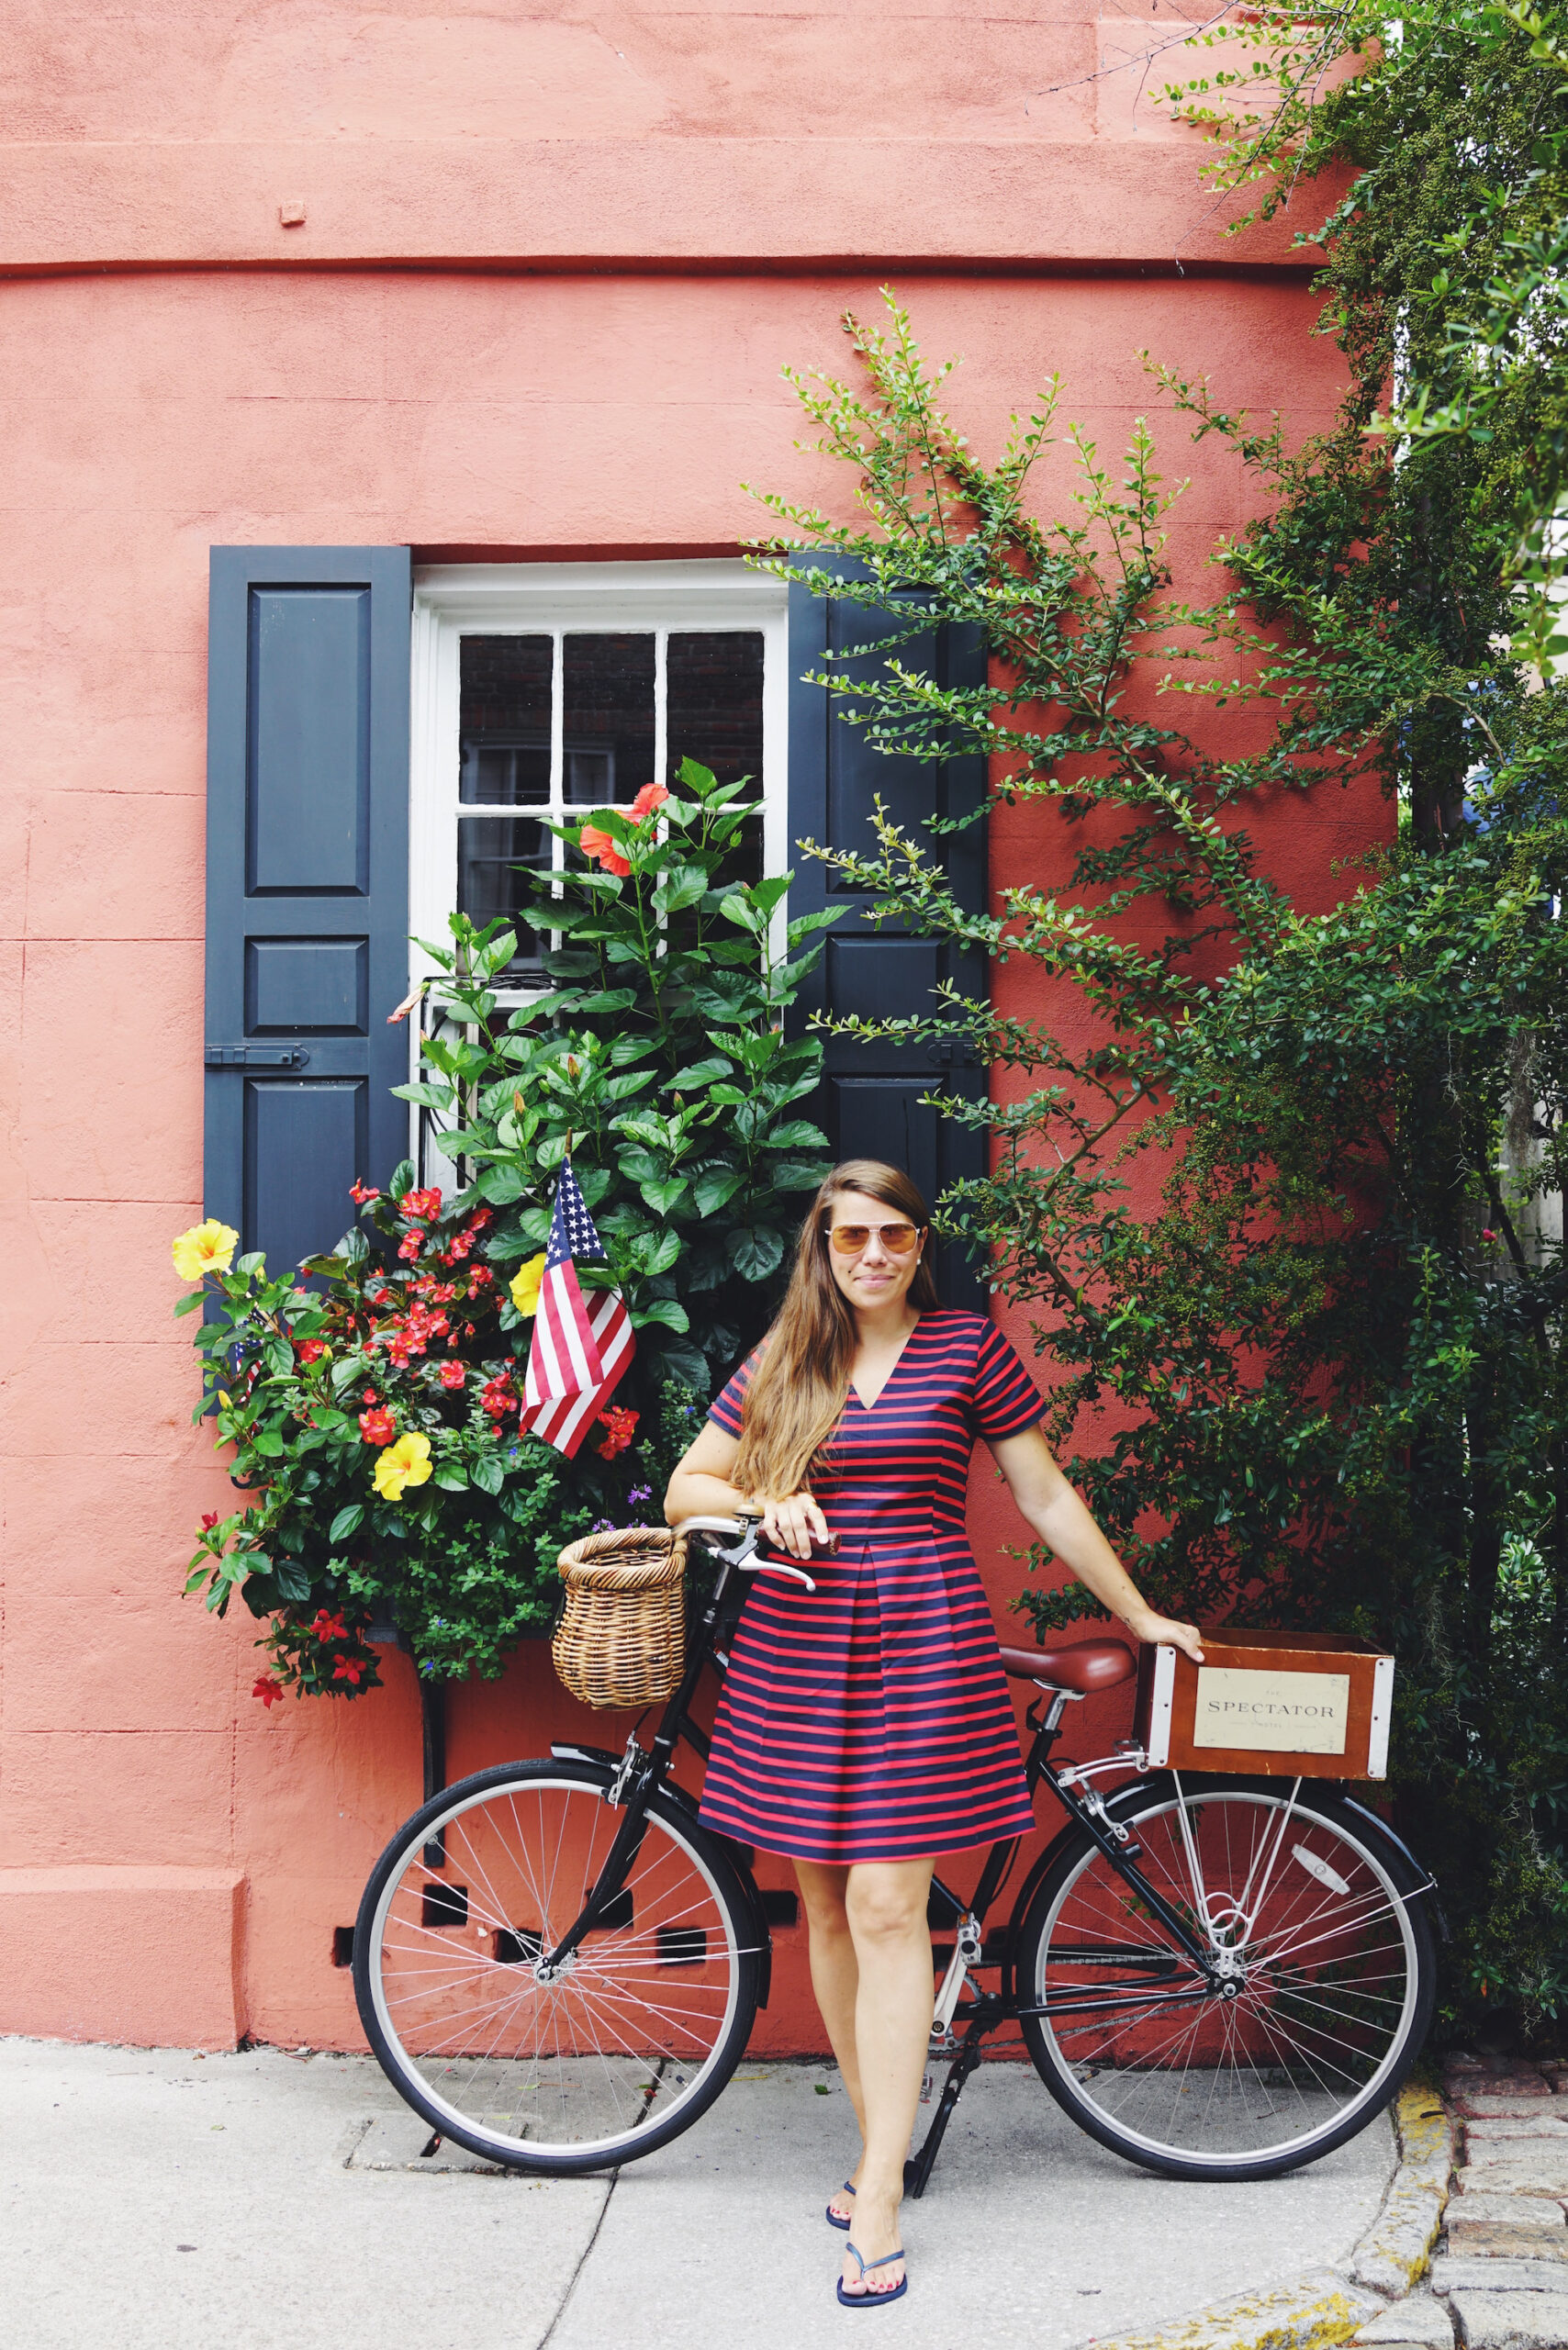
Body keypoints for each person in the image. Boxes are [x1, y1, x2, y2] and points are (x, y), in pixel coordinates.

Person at [663, 1158, 1204, 2309]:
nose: (870, 1256)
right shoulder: (784, 1357)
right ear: (823, 1244)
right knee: (818, 1898)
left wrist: (1135, 1609)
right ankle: (878, 2148)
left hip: (921, 1643)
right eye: (850, 1236)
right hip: (795, 1655)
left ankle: (879, 2195)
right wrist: (763, 1498)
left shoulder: (965, 1347)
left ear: (919, 1245)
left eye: (892, 1237)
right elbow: (683, 1490)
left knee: (885, 1903)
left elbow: (1045, 1493)